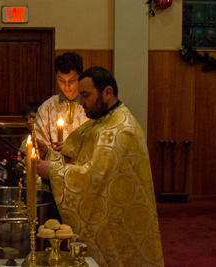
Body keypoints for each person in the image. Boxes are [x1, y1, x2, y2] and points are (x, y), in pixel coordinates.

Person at [36, 67, 164, 266]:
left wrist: (52, 171)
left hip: (116, 219)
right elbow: (79, 160)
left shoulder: (122, 129)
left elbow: (95, 177)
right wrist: (49, 154)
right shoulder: (103, 121)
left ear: (107, 93)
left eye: (85, 95)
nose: (81, 102)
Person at [34, 52, 88, 152]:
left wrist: (73, 147)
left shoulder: (90, 105)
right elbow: (40, 142)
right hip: (54, 164)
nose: (66, 87)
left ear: (80, 77)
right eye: (61, 80)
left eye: (72, 80)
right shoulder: (47, 108)